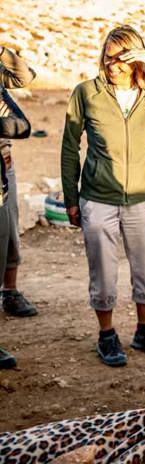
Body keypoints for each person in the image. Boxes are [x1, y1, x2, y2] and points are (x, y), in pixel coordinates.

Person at [61, 25, 145, 367]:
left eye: (121, 58)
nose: (113, 64)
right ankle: (107, 334)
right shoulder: (86, 93)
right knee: (103, 272)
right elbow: (69, 146)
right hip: (97, 197)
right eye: (108, 57)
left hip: (141, 198)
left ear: (136, 57)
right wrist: (71, 198)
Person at [0, 45, 35, 369]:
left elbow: (26, 77)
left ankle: (9, 291)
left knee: (8, 233)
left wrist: (3, 51)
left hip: (3, 166)